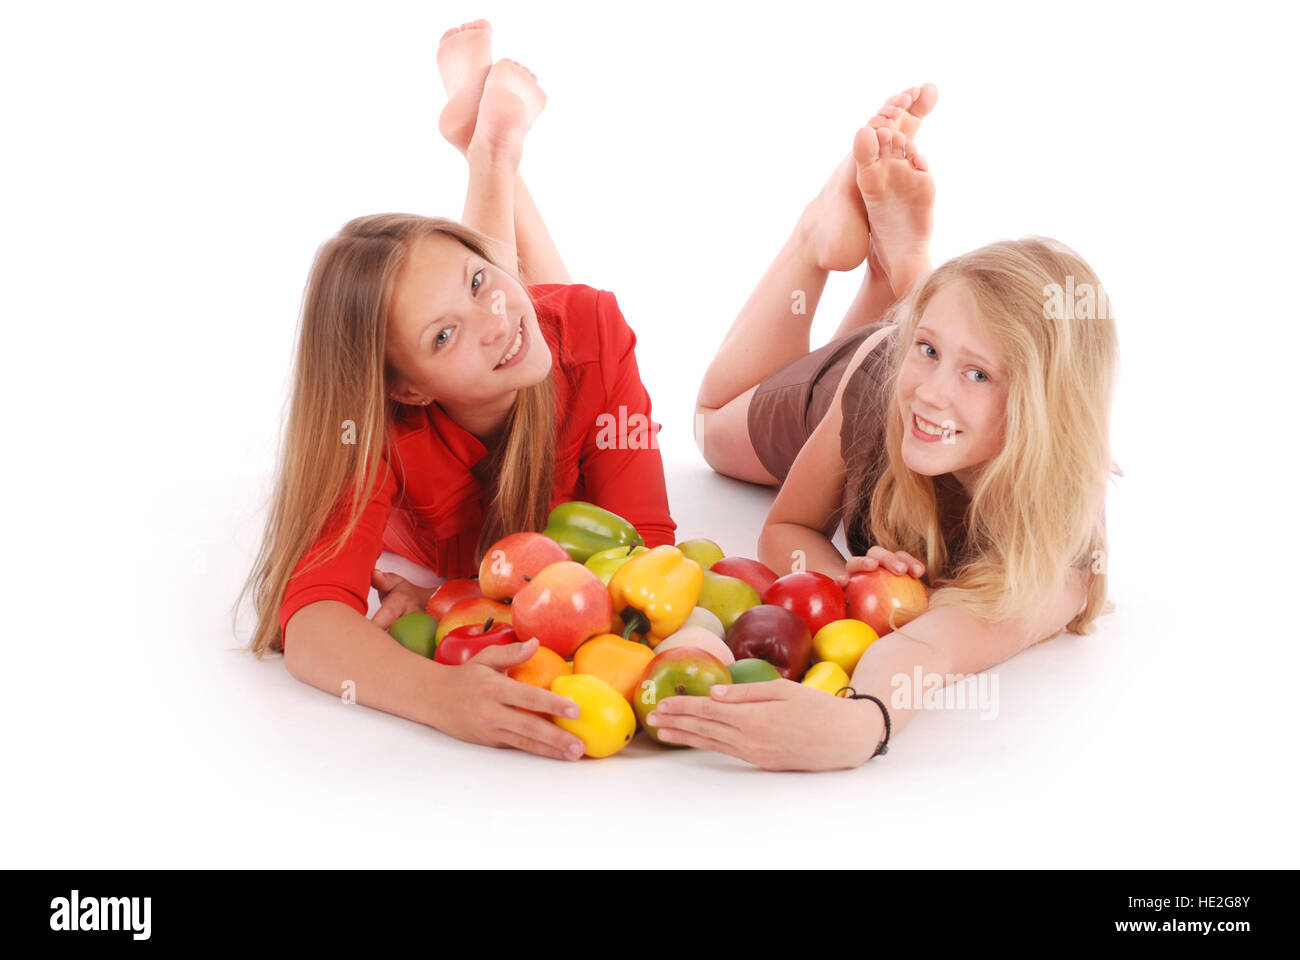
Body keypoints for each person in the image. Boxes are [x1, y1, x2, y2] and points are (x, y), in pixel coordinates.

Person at [239, 21, 675, 763]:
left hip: (560, 341)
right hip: (514, 392)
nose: (491, 319)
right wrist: (440, 696)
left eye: (478, 276)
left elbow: (647, 550)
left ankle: (492, 154)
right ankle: (492, 149)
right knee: (526, 328)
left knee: (544, 315)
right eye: (439, 337)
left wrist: (461, 598)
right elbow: (312, 621)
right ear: (405, 388)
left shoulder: (591, 323)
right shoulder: (373, 426)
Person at [665, 85, 1120, 770]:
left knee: (934, 359)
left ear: (1043, 412)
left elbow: (931, 647)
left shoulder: (1059, 562)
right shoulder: (889, 385)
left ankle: (899, 271)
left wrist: (861, 726)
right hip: (856, 385)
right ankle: (820, 239)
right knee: (709, 427)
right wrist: (851, 576)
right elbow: (786, 529)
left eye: (980, 376)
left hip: (903, 353)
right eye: (932, 352)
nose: (933, 393)